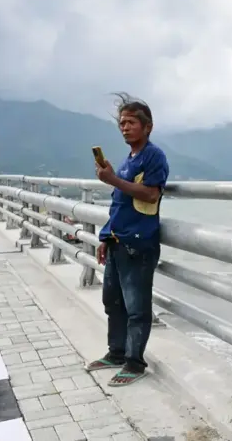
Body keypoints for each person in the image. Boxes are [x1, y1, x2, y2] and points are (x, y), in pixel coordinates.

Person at [86, 93, 169, 387]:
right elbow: (120, 203)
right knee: (113, 302)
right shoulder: (128, 160)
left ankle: (135, 362)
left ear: (147, 127)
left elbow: (151, 194)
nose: (125, 127)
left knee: (137, 307)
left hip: (139, 244)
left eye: (131, 122)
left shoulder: (153, 156)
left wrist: (112, 180)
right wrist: (106, 236)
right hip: (119, 241)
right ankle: (117, 352)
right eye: (122, 123)